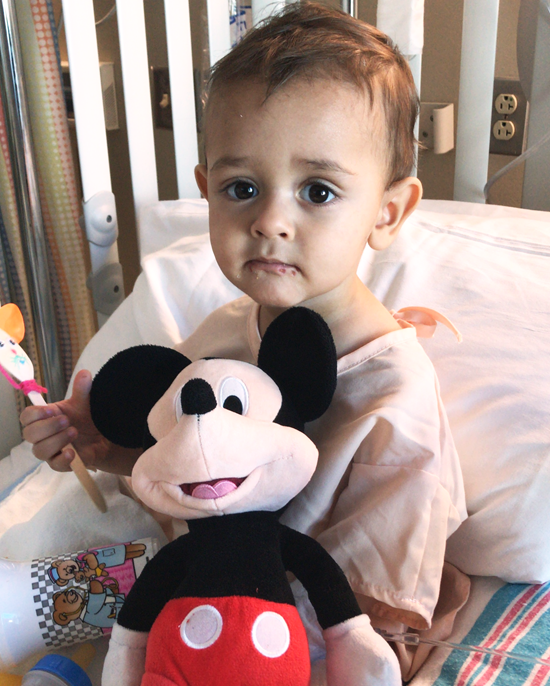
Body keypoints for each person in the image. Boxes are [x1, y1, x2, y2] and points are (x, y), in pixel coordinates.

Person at [20, 3, 468, 681]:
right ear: (207, 193)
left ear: (388, 211)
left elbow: (376, 613)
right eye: (242, 188)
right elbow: (191, 479)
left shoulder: (395, 402)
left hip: (305, 636)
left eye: (317, 190)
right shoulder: (226, 334)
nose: (269, 221)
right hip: (193, 599)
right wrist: (105, 451)